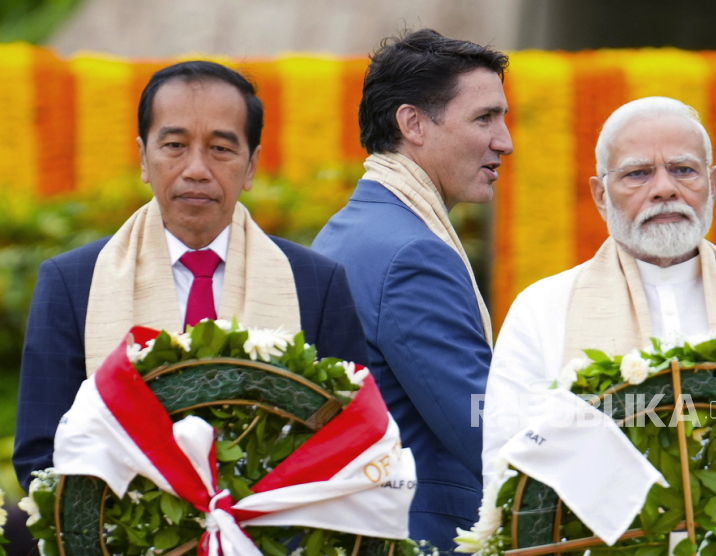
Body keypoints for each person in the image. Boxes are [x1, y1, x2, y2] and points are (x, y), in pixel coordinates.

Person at [14, 61, 368, 490]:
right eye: (175, 145)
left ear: (252, 165)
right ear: (144, 157)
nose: (196, 168)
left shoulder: (316, 282)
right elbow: (40, 455)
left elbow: (355, 440)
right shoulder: (72, 282)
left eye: (221, 148)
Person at [482, 96, 716, 486]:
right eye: (637, 174)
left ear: (712, 184)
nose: (665, 189)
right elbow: (506, 461)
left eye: (684, 170)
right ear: (600, 194)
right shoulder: (543, 309)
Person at [311, 29, 513, 549]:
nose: (504, 141)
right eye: (484, 117)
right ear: (413, 123)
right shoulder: (411, 255)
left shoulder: (347, 229)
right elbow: (484, 422)